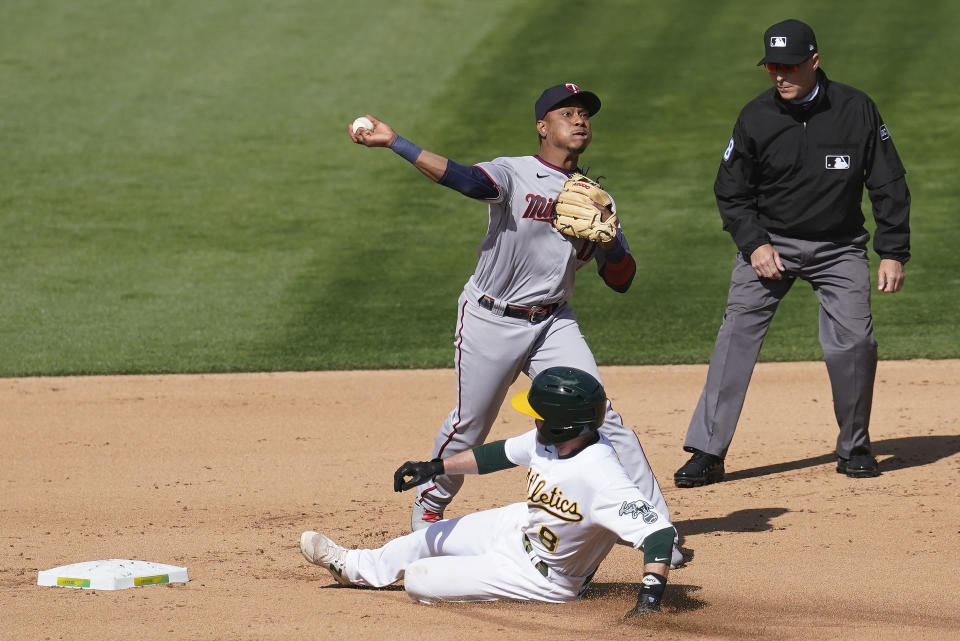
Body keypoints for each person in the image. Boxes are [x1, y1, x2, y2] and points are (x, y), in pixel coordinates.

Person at [348, 83, 678, 564]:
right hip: (490, 316)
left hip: (553, 322)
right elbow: (466, 181)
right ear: (544, 127)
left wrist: (609, 242)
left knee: (603, 416)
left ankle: (655, 525)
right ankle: (431, 502)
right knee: (471, 425)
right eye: (568, 113)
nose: (580, 120)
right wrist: (397, 142)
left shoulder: (596, 198)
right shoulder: (514, 172)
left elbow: (622, 280)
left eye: (585, 114)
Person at [674, 19, 911, 488]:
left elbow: (887, 181)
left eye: (789, 66)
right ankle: (707, 451)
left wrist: (893, 250)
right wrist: (755, 244)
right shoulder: (755, 116)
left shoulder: (856, 109)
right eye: (772, 66)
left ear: (814, 62)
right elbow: (731, 190)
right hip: (771, 244)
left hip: (839, 247)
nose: (779, 74)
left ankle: (855, 446)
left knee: (856, 343)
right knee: (735, 337)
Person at [300, 367, 676, 615]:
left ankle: (475, 579)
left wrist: (648, 600)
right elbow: (499, 454)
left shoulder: (602, 475)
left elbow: (657, 533)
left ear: (562, 424)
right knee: (430, 537)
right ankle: (351, 566)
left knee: (418, 579)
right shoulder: (555, 440)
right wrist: (435, 467)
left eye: (539, 414)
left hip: (546, 578)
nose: (533, 418)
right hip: (520, 526)